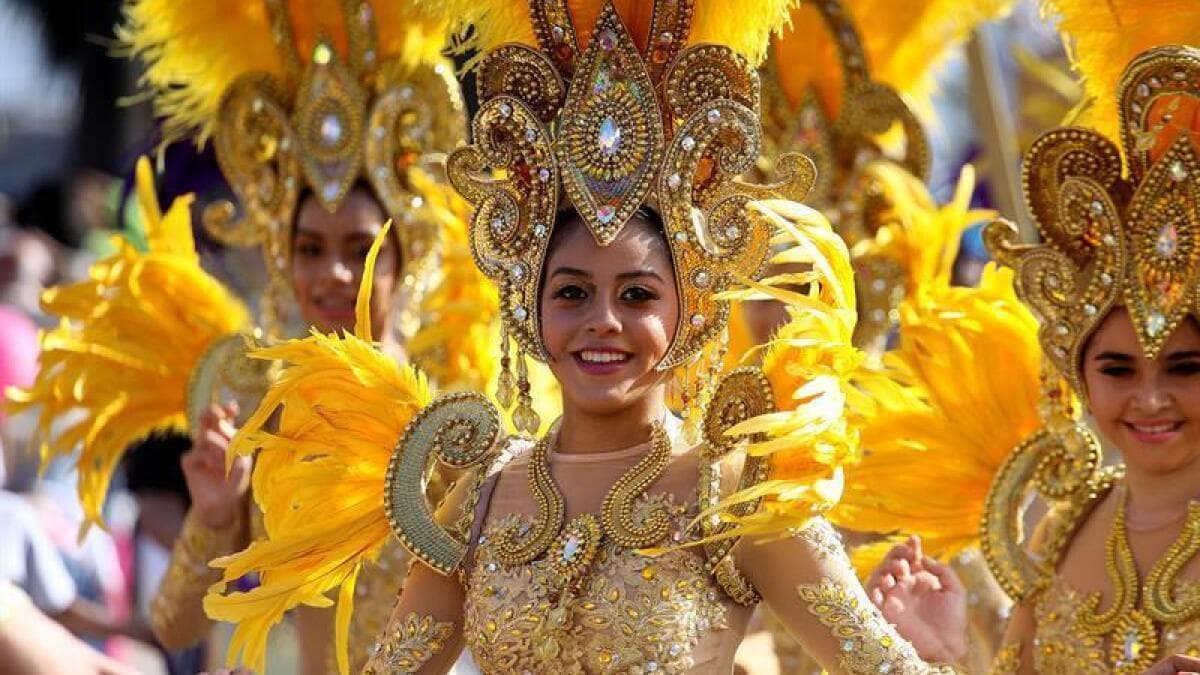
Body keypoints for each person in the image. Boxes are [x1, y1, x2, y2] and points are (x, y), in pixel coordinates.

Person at [201, 2, 972, 673]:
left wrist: (942, 652)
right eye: (572, 292)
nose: (603, 319)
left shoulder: (738, 493)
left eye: (636, 294)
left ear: (690, 308)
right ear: (530, 307)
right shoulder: (481, 498)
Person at [112, 1, 485, 672]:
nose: (334, 272)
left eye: (361, 248)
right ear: (285, 258)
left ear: (406, 258)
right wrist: (214, 514)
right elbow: (173, 625)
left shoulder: (458, 415)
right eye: (310, 248)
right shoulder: (255, 404)